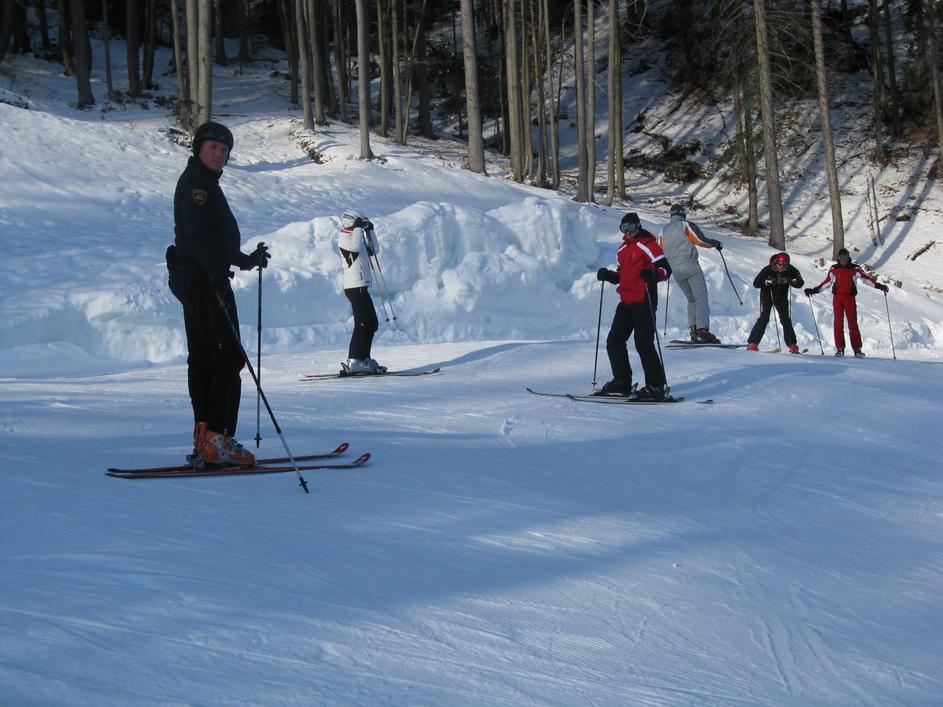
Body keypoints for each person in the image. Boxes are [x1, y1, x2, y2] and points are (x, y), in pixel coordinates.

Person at [167, 121, 270, 466]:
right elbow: (196, 233)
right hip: (204, 282)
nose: (219, 154)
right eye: (213, 148)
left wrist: (245, 260)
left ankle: (206, 439)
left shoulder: (204, 182)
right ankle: (218, 439)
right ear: (198, 148)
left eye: (224, 150)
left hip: (196, 278)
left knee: (205, 358)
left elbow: (210, 238)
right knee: (227, 358)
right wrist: (214, 273)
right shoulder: (198, 184)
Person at [595, 212, 672, 399]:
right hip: (626, 300)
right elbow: (623, 275)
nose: (627, 232)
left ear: (638, 226)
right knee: (614, 341)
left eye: (630, 227)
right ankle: (622, 381)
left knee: (643, 344)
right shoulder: (622, 249)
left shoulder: (648, 245)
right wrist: (609, 275)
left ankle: (656, 386)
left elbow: (665, 269)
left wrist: (653, 275)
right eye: (624, 228)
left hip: (644, 300)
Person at [658, 203, 724, 343]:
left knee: (691, 299)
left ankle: (694, 331)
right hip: (690, 265)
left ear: (671, 215)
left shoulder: (663, 230)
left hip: (675, 270)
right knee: (701, 297)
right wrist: (715, 243)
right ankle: (703, 331)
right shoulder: (685, 225)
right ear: (683, 214)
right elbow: (700, 240)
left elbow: (659, 250)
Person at [804, 248, 888, 357]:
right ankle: (840, 348)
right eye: (841, 257)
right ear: (838, 258)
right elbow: (827, 282)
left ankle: (857, 348)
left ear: (848, 258)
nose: (843, 259)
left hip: (849, 298)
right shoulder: (834, 269)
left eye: (845, 257)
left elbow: (867, 279)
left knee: (852, 323)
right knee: (838, 323)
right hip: (837, 298)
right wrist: (814, 290)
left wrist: (879, 286)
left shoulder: (855, 269)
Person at [338, 212, 386, 374]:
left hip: (361, 286)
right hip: (354, 287)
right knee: (362, 323)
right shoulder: (345, 237)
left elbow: (374, 249)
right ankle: (354, 360)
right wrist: (359, 228)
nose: (360, 225)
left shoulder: (357, 236)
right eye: (358, 222)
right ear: (350, 222)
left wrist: (369, 231)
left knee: (372, 323)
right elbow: (355, 247)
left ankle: (364, 358)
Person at [746, 252, 804, 353]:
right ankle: (752, 343)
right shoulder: (768, 269)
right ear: (776, 263)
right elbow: (756, 283)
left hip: (781, 297)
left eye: (784, 266)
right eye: (779, 265)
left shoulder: (791, 270)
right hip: (767, 295)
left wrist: (792, 281)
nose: (781, 268)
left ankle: (792, 344)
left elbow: (800, 283)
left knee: (785, 319)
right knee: (764, 318)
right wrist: (766, 282)